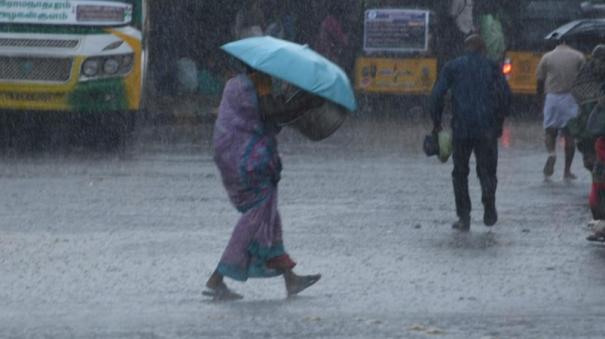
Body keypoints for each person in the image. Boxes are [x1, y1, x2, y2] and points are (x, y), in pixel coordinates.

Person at [204, 66, 324, 300]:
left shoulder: (235, 83)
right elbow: (272, 113)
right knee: (257, 213)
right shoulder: (257, 82)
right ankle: (217, 278)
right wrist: (306, 102)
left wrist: (294, 99)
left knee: (269, 215)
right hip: (247, 157)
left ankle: (291, 279)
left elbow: (262, 112)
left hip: (232, 152)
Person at [430, 34, 511, 231]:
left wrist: (436, 122)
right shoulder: (492, 67)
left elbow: (437, 94)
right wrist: (499, 121)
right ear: (483, 49)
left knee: (460, 173)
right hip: (487, 128)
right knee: (487, 171)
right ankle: (488, 203)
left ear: (466, 48)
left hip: (462, 128)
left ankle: (464, 217)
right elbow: (505, 95)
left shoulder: (453, 67)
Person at [536, 39, 585, 180]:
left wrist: (540, 99)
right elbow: (584, 78)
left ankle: (551, 153)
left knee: (550, 130)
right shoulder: (578, 56)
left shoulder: (547, 57)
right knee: (569, 135)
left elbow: (539, 79)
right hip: (570, 98)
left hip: (552, 97)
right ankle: (567, 171)